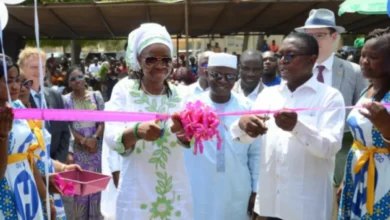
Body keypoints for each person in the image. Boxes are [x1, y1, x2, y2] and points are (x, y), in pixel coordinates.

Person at [231, 33, 346, 220]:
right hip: (271, 204)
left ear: (312, 59)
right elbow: (244, 139)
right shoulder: (268, 95)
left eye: (290, 56)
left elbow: (330, 147)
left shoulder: (329, 97)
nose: (282, 61)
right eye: (280, 56)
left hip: (306, 206)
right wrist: (243, 126)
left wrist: (297, 127)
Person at [104, 23, 193, 220]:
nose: (159, 65)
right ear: (138, 60)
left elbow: (190, 140)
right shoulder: (124, 90)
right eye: (151, 59)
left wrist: (182, 131)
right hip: (136, 191)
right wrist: (137, 131)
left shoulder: (181, 94)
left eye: (166, 60)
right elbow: (112, 137)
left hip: (174, 190)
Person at [295, 11, 367, 216]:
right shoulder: (294, 70)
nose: (314, 41)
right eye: (310, 35)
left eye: (320, 35)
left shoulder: (353, 71)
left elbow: (360, 121)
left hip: (339, 158)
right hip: (301, 154)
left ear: (334, 37)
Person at [182, 53, 260, 220]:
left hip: (236, 188)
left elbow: (256, 154)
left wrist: (256, 190)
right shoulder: (191, 105)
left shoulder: (248, 107)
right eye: (217, 75)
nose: (223, 80)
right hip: (198, 187)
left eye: (230, 76)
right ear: (207, 73)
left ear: (236, 77)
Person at [339, 27, 390, 220]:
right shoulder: (366, 91)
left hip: (384, 180)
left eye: (373, 57)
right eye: (362, 55)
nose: (364, 61)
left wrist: (386, 126)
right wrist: (347, 179)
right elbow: (358, 142)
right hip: (359, 176)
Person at [19, 70, 82, 219]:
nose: (21, 88)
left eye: (26, 83)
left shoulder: (30, 113)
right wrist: (43, 180)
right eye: (12, 81)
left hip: (47, 184)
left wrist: (63, 167)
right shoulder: (11, 122)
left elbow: (40, 156)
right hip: (26, 187)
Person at [0, 54, 55, 220]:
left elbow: (29, 157)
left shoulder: (17, 107)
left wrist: (45, 197)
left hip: (27, 187)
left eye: (17, 80)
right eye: (8, 81)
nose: (16, 86)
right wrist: (2, 136)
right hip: (6, 191)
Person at [63, 67, 105, 220]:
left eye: (80, 76)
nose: (77, 80)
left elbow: (102, 122)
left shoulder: (96, 96)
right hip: (78, 150)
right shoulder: (66, 100)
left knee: (94, 188)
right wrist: (83, 140)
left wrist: (94, 139)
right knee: (79, 190)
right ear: (69, 83)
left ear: (85, 78)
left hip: (95, 150)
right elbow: (67, 125)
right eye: (73, 79)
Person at [18, 48, 71, 163]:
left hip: (57, 165)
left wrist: (58, 162)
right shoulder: (17, 99)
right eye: (34, 67)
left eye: (42, 67)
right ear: (21, 69)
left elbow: (65, 132)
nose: (39, 71)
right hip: (31, 165)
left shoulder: (55, 96)